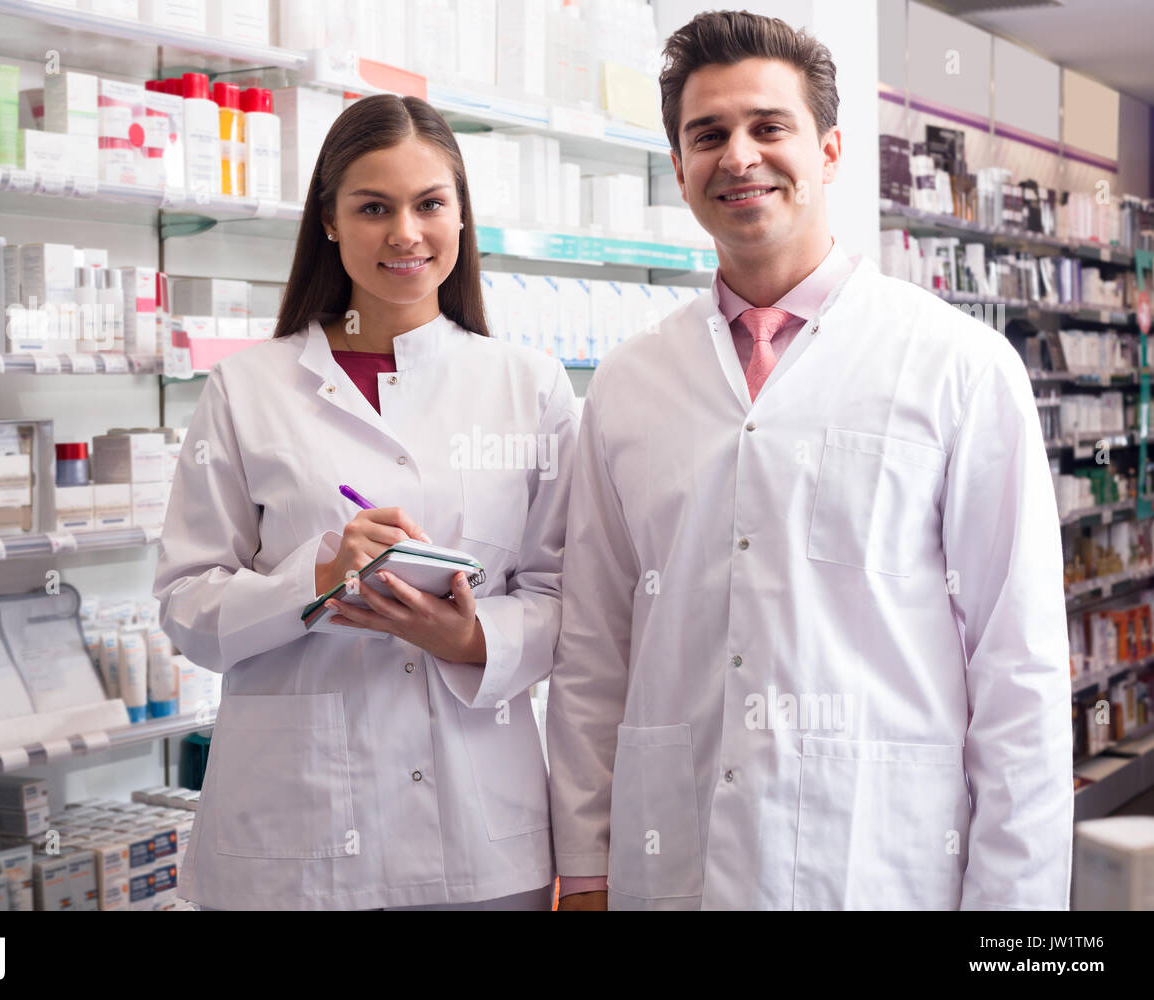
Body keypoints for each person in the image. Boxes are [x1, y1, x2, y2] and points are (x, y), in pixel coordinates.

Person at [547, 10, 1073, 911]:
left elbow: (1018, 666)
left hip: (879, 863)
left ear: (829, 150)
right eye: (707, 135)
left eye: (769, 127)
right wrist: (587, 873)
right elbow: (595, 645)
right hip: (671, 863)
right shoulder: (631, 383)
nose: (738, 156)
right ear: (678, 168)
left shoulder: (958, 364)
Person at [155, 94, 578, 910]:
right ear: (329, 220)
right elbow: (184, 604)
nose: (405, 234)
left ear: (461, 215)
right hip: (297, 828)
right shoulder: (248, 388)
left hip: (480, 830)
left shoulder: (529, 387)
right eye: (373, 207)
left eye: (430, 204)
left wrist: (471, 635)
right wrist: (312, 577)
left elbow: (567, 597)